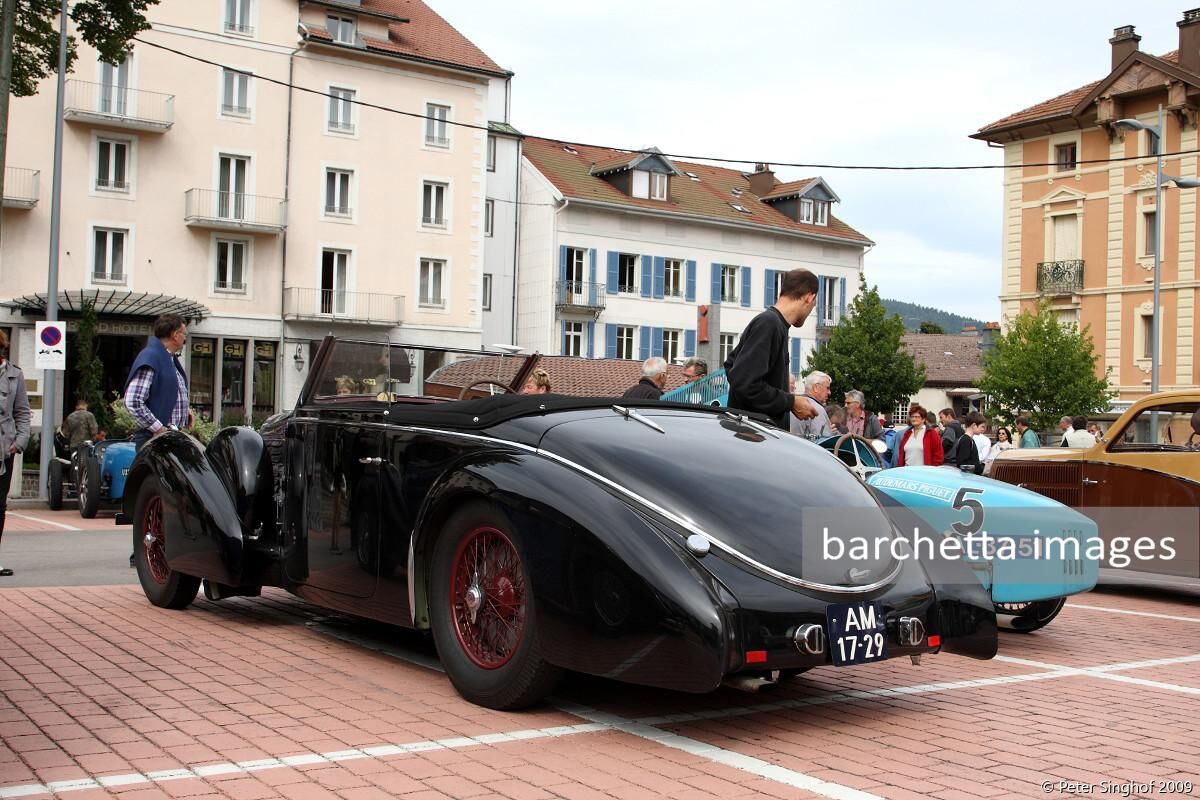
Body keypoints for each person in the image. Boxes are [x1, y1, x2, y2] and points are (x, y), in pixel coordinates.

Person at [124, 314, 191, 567]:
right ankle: (142, 552)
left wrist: (186, 412)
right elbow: (132, 401)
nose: (185, 338)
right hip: (155, 439)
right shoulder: (152, 358)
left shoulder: (167, 359)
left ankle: (156, 548)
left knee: (164, 496)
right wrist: (158, 428)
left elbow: (169, 392)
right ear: (174, 335)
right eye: (183, 333)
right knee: (155, 495)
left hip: (167, 437)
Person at [724, 269, 819, 428]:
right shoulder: (769, 324)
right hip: (752, 439)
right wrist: (791, 402)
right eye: (813, 306)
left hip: (753, 437)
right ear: (810, 297)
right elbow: (745, 384)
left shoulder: (773, 324)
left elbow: (732, 367)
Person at [0, 329, 31, 577]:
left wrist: (19, 441)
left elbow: (22, 412)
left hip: (3, 451)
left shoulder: (14, 374)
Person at [790, 371, 834, 438]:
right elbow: (821, 442)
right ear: (815, 387)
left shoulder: (794, 405)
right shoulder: (817, 409)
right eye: (827, 388)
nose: (829, 392)